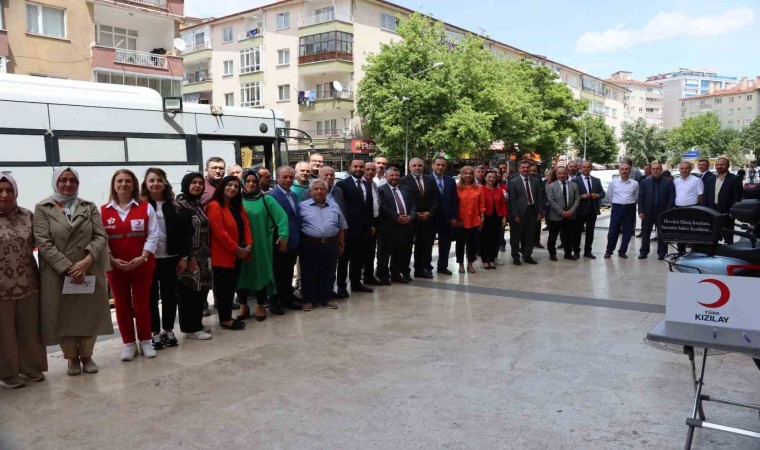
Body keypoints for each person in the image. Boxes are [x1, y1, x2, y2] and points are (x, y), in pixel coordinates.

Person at [35, 168, 113, 376]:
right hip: (58, 272)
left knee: (88, 313)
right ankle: (71, 359)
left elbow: (100, 236)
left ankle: (87, 355)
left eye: (72, 180)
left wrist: (86, 261)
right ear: (55, 182)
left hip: (87, 268)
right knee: (64, 315)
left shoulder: (88, 207)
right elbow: (43, 242)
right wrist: (68, 267)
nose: (68, 184)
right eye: (63, 180)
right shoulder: (43, 208)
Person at [102, 169, 159, 360]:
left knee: (142, 304)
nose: (123, 184)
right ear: (113, 185)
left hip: (141, 264)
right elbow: (101, 239)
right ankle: (128, 343)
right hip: (115, 267)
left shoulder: (145, 207)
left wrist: (142, 256)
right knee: (121, 304)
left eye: (128, 181)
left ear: (134, 184)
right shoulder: (103, 210)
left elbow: (153, 234)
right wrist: (111, 259)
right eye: (119, 181)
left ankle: (146, 341)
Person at [0, 174, 47, 388]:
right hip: (1, 288)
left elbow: (45, 243)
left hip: (29, 282)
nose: (4, 195)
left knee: (30, 328)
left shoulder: (27, 215)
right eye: (0, 191)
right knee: (4, 332)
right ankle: (8, 373)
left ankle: (31, 367)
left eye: (9, 191)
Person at [142, 168, 192, 350]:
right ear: (146, 184)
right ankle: (154, 332)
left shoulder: (176, 206)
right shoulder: (140, 206)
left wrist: (184, 257)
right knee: (151, 297)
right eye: (152, 180)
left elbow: (186, 234)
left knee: (170, 296)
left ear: (165, 183)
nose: (155, 183)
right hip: (148, 259)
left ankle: (168, 329)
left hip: (171, 258)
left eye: (159, 180)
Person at [237, 170, 289, 320]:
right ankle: (243, 305)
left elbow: (282, 218)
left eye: (254, 181)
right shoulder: (236, 200)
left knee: (261, 273)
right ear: (243, 183)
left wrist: (283, 235)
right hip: (240, 245)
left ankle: (260, 304)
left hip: (261, 245)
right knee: (241, 274)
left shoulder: (266, 200)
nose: (251, 184)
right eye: (248, 181)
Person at [205, 176, 251, 331]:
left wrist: (249, 245)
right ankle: (225, 319)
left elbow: (246, 224)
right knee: (224, 288)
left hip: (239, 253)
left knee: (232, 286)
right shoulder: (214, 205)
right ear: (223, 186)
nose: (232, 188)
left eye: (236, 186)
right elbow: (219, 232)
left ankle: (227, 316)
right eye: (229, 185)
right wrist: (237, 249)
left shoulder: (236, 204)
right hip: (223, 255)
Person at [175, 173, 213, 340]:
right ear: (186, 184)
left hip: (203, 255)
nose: (197, 186)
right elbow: (180, 234)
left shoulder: (196, 203)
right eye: (193, 183)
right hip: (189, 256)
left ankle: (197, 324)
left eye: (200, 183)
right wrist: (187, 256)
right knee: (188, 290)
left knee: (200, 290)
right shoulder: (180, 205)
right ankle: (190, 329)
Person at [299, 180, 347, 310]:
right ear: (310, 191)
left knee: (329, 272)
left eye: (322, 189)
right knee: (309, 273)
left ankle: (326, 298)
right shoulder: (302, 206)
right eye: (316, 189)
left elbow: (342, 226)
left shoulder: (334, 206)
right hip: (310, 244)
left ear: (327, 191)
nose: (319, 191)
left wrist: (341, 244)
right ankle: (309, 300)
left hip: (331, 244)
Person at [335, 159, 376, 297]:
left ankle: (356, 283)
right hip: (348, 229)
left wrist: (370, 224)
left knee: (358, 258)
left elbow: (368, 207)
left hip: (363, 230)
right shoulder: (342, 184)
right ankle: (341, 286)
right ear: (350, 167)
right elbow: (340, 207)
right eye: (355, 166)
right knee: (344, 260)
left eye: (361, 166)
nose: (358, 169)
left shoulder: (367, 184)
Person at [267, 166, 302, 313]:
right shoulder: (271, 196)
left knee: (287, 272)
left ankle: (287, 297)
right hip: (279, 241)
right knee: (278, 273)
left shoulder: (292, 195)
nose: (288, 180)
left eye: (290, 177)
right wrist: (281, 237)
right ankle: (275, 301)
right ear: (277, 178)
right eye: (285, 177)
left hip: (293, 240)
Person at [376, 167, 415, 284]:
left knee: (399, 252)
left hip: (404, 226)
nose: (394, 178)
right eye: (391, 175)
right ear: (386, 176)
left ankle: (396, 274)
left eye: (396, 175)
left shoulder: (405, 189)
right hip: (388, 226)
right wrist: (396, 217)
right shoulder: (380, 190)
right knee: (384, 253)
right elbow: (382, 207)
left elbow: (413, 205)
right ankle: (382, 275)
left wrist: (410, 216)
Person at [400, 157, 438, 279]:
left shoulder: (430, 180)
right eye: (414, 165)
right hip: (411, 219)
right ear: (409, 167)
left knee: (425, 246)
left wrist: (429, 212)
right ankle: (404, 271)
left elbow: (436, 199)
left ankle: (422, 269)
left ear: (423, 167)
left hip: (427, 219)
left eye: (420, 165)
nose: (417, 168)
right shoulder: (402, 181)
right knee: (406, 246)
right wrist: (414, 214)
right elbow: (403, 200)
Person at [637, 162, 676, 260]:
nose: (655, 170)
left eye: (657, 169)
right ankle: (644, 252)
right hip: (647, 212)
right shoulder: (644, 182)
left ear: (661, 169)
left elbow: (671, 198)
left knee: (662, 233)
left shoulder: (668, 182)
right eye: (653, 169)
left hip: (662, 212)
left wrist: (668, 212)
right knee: (645, 233)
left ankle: (662, 253)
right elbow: (640, 197)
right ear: (650, 170)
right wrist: (640, 211)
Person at [508, 160, 543, 265]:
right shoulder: (513, 182)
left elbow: (539, 198)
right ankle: (515, 256)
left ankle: (527, 255)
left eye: (527, 167)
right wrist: (515, 215)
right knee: (516, 236)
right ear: (519, 169)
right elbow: (512, 200)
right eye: (523, 167)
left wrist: (539, 212)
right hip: (518, 212)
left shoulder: (535, 181)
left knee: (529, 235)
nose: (526, 169)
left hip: (532, 210)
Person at [702, 157, 743, 244]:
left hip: (726, 212)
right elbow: (705, 197)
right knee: (712, 236)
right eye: (717, 165)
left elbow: (737, 197)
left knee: (728, 236)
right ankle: (713, 255)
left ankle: (728, 254)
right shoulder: (710, 179)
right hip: (711, 211)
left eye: (722, 164)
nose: (719, 166)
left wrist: (734, 212)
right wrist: (704, 210)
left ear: (728, 166)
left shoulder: (735, 179)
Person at [429, 157, 459, 275]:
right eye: (438, 164)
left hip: (446, 218)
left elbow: (454, 200)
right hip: (431, 217)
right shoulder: (427, 179)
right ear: (432, 165)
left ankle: (442, 266)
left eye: (443, 165)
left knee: (445, 244)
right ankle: (427, 267)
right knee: (428, 244)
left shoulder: (450, 181)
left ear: (445, 167)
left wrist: (454, 216)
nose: (440, 167)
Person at [572, 161, 605, 259]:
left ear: (591, 168)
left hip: (592, 210)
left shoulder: (596, 180)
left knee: (590, 232)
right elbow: (572, 195)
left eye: (588, 167)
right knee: (577, 232)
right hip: (580, 210)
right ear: (580, 168)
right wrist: (581, 196)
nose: (586, 169)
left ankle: (588, 251)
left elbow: (603, 193)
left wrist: (598, 195)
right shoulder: (575, 181)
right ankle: (576, 252)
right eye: (584, 167)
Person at [546, 167, 580, 262]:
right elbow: (551, 201)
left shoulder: (574, 185)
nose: (562, 175)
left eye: (564, 173)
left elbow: (577, 199)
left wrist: (571, 211)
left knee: (569, 236)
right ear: (556, 175)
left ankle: (568, 253)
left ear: (567, 173)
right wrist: (562, 212)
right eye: (559, 174)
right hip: (555, 216)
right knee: (553, 236)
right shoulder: (551, 186)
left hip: (570, 216)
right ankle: (552, 253)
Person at [604, 164, 639, 259]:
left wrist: (628, 203)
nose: (624, 171)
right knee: (613, 231)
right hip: (617, 208)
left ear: (630, 171)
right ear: (619, 171)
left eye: (626, 169)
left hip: (630, 209)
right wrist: (616, 204)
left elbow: (636, 198)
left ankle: (623, 251)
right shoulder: (613, 183)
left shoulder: (635, 183)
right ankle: (609, 251)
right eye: (622, 169)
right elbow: (609, 196)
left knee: (628, 231)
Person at [455, 166, 485, 273]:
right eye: (465, 173)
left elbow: (482, 204)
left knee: (472, 244)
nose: (468, 175)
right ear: (461, 175)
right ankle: (461, 264)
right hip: (460, 221)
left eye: (470, 173)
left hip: (474, 220)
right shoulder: (456, 187)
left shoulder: (479, 188)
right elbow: (454, 204)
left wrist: (482, 218)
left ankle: (470, 264)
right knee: (460, 243)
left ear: (473, 175)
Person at [480, 171, 507, 269]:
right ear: (485, 178)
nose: (491, 179)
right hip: (485, 217)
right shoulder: (481, 189)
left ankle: (491, 259)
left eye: (493, 177)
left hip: (497, 217)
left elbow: (503, 204)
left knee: (495, 239)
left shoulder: (499, 190)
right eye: (489, 177)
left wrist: (504, 216)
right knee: (484, 239)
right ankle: (484, 260)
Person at [362, 162, 382, 285]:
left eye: (373, 170)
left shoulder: (373, 184)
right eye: (367, 169)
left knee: (371, 251)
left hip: (375, 221)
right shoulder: (361, 185)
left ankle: (369, 276)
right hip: (364, 223)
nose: (370, 172)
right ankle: (362, 276)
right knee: (363, 252)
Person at [529, 163, 546, 249]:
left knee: (537, 225)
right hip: (527, 205)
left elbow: (542, 191)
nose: (532, 172)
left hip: (537, 205)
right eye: (530, 170)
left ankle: (537, 241)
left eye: (534, 171)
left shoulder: (539, 177)